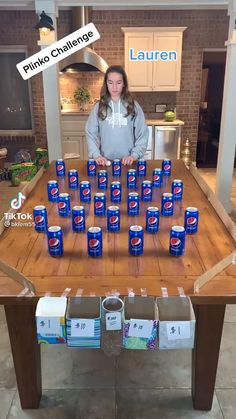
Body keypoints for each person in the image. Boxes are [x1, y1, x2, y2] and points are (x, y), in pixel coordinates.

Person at [85, 65, 149, 166]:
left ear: (124, 84)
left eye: (118, 82)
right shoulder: (99, 107)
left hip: (128, 162)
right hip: (105, 163)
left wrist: (134, 155)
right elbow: (91, 133)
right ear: (106, 84)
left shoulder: (133, 106)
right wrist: (96, 155)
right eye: (110, 82)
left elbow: (143, 134)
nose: (114, 87)